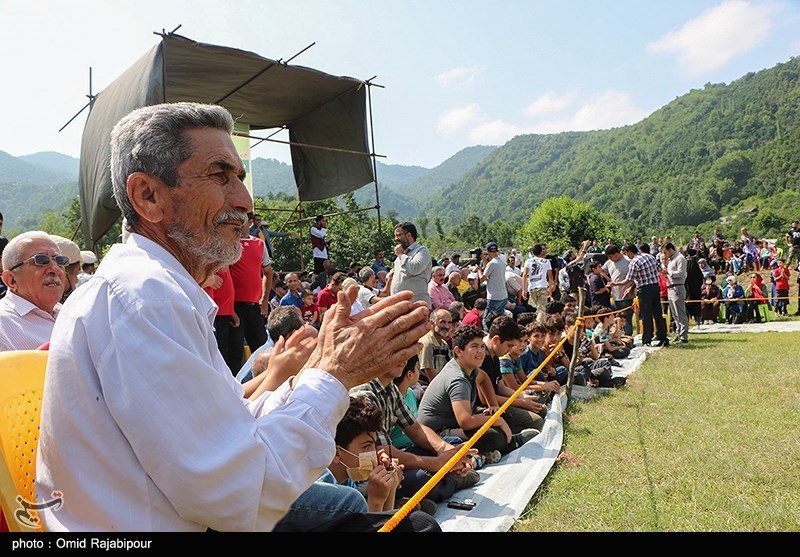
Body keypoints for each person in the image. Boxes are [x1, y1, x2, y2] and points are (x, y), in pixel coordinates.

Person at [35, 102, 431, 532]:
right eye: (220, 176)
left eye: (239, 178)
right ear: (148, 196)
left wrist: (319, 371)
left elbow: (232, 433)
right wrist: (333, 375)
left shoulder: (149, 290)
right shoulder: (146, 297)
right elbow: (238, 491)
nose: (244, 201)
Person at [349, 356, 479, 505]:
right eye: (396, 351)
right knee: (420, 478)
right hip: (367, 473)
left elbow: (416, 429)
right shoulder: (363, 394)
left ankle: (438, 483)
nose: (403, 359)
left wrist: (447, 452)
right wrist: (438, 463)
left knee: (450, 444)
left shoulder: (390, 388)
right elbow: (381, 451)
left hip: (392, 460)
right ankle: (448, 482)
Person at [418, 324, 538, 456]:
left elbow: (484, 378)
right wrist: (496, 420)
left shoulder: (470, 368)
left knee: (500, 415)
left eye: (481, 346)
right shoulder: (457, 379)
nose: (480, 351)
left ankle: (497, 446)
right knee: (492, 435)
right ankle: (511, 443)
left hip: (454, 424)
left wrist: (493, 405)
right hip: (436, 434)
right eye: (474, 347)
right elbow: (466, 422)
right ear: (458, 351)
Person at [0, 231, 66, 351]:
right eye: (40, 260)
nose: (56, 269)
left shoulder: (69, 313)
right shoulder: (3, 327)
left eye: (59, 260)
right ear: (11, 279)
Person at [228, 212, 273, 372]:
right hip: (234, 306)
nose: (239, 224)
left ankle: (266, 383)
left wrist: (265, 299)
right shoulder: (229, 243)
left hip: (255, 305)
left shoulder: (259, 244)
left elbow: (268, 272)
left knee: (261, 348)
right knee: (234, 351)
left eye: (243, 221)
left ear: (251, 222)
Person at [608, 242, 668, 347]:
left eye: (626, 253)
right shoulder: (650, 256)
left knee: (646, 315)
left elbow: (628, 280)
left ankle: (647, 340)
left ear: (630, 252)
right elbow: (660, 270)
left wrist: (614, 284)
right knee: (658, 313)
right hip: (655, 287)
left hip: (644, 290)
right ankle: (663, 337)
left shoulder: (634, 262)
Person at [390, 221, 432, 307]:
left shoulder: (422, 251)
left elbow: (415, 268)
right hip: (399, 305)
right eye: (395, 235)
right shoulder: (401, 254)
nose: (396, 239)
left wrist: (401, 255)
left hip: (417, 304)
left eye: (399, 235)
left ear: (409, 235)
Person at [661, 242, 689, 344]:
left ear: (671, 250)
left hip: (677, 287)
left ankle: (683, 335)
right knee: (674, 314)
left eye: (665, 252)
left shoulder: (680, 258)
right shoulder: (671, 260)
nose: (665, 254)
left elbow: (681, 273)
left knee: (680, 313)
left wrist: (668, 273)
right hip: (670, 288)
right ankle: (678, 333)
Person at [418, 307, 453, 385]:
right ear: (432, 323)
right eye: (442, 322)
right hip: (426, 387)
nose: (447, 326)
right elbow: (429, 371)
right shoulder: (427, 343)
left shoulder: (444, 344)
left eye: (449, 322)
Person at [479, 241, 509, 328]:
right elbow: (488, 269)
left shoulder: (492, 264)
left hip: (493, 296)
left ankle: (489, 337)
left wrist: (478, 270)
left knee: (486, 320)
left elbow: (482, 278)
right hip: (503, 295)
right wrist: (483, 257)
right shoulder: (502, 262)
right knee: (499, 320)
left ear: (488, 252)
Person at [520, 243, 554, 323]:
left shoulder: (528, 261)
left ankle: (539, 323)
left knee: (540, 309)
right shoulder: (546, 262)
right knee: (541, 310)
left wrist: (524, 290)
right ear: (541, 252)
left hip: (532, 288)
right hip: (542, 287)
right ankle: (539, 326)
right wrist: (551, 288)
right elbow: (550, 276)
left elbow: (524, 275)